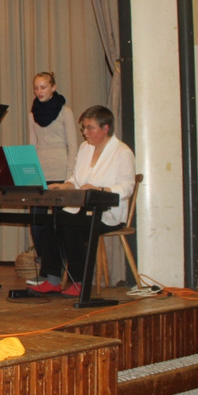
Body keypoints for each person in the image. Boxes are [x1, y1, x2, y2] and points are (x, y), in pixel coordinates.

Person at [35, 105, 136, 297]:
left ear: (105, 128)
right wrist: (65, 185)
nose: (85, 132)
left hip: (107, 214)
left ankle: (80, 282)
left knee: (71, 226)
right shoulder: (84, 148)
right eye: (84, 128)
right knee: (52, 221)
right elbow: (76, 179)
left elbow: (127, 187)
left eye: (90, 128)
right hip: (81, 209)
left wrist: (100, 190)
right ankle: (52, 279)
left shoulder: (122, 152)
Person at [25, 71, 79, 290]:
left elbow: (72, 145)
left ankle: (60, 270)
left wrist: (69, 177)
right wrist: (30, 174)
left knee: (59, 223)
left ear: (53, 88)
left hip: (61, 172)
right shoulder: (32, 114)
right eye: (36, 87)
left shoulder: (65, 112)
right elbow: (32, 145)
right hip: (41, 173)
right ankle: (45, 269)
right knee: (37, 223)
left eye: (43, 87)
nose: (39, 91)